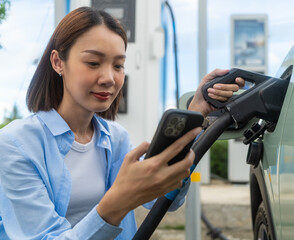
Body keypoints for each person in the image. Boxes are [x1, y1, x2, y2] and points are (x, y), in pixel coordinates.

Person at [0, 7, 243, 240]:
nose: (109, 78)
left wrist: (196, 114)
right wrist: (117, 202)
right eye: (93, 63)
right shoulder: (15, 145)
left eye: (118, 65)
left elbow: (164, 199)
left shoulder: (115, 138)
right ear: (58, 62)